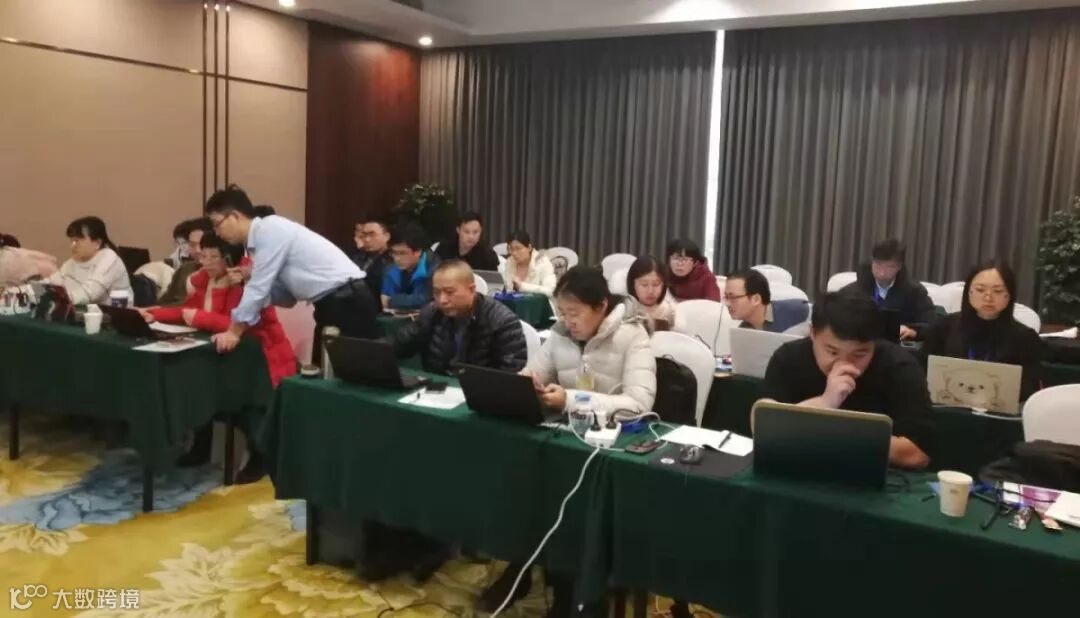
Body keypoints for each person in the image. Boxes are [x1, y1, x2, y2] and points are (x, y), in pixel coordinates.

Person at [483, 267, 656, 616]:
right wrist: (526, 388)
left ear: (601, 306)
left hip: (607, 448)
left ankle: (578, 594)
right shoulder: (559, 334)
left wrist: (570, 400)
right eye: (562, 312)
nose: (567, 321)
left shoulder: (633, 336)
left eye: (574, 313)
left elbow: (639, 404)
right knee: (519, 485)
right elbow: (530, 375)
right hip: (563, 437)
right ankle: (523, 569)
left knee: (565, 498)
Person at [142, 232, 297, 481]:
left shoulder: (246, 282)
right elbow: (187, 311)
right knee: (198, 380)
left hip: (263, 356)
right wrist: (153, 314)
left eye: (214, 257)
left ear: (230, 258)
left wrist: (199, 318)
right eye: (204, 256)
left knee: (245, 397)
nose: (206, 262)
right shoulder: (205, 280)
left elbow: (239, 322)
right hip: (225, 353)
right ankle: (201, 447)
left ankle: (259, 456)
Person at [763, 291, 933, 470]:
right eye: (832, 352)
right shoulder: (789, 357)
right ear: (813, 333)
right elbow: (762, 426)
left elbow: (918, 454)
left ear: (875, 343)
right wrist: (825, 403)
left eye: (859, 354)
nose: (844, 364)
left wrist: (834, 433)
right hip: (796, 467)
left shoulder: (900, 367)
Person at [203, 185, 379, 354]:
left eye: (217, 224)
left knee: (352, 369)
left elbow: (258, 289)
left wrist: (234, 332)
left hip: (347, 302)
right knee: (326, 369)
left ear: (234, 216)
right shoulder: (258, 244)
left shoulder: (269, 229)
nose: (217, 232)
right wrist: (251, 283)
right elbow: (287, 297)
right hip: (332, 303)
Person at [921, 260, 1043, 400]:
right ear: (969, 292)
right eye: (980, 289)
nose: (988, 297)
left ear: (1009, 295)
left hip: (1000, 411)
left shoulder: (1025, 337)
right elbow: (922, 373)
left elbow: (1030, 388)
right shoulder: (943, 328)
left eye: (998, 291)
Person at [394, 261, 528, 374]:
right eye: (436, 292)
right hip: (438, 388)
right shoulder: (432, 312)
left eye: (449, 292)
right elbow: (400, 345)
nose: (442, 300)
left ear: (471, 289)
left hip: (480, 391)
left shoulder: (502, 321)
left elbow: (511, 375)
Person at [842, 239, 935, 340]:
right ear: (872, 262)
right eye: (878, 265)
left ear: (899, 267)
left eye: (889, 267)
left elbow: (931, 324)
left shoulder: (915, 292)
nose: (882, 273)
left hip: (896, 344)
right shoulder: (854, 289)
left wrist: (913, 331)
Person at [47, 216, 132, 305]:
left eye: (77, 240)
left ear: (97, 243)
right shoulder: (72, 261)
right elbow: (55, 284)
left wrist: (60, 299)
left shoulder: (109, 258)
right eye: (72, 241)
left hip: (114, 312)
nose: (73, 245)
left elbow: (90, 293)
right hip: (82, 311)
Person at [724, 268, 810, 335]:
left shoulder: (797, 311)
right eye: (726, 297)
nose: (727, 304)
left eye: (733, 297)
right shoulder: (743, 330)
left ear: (756, 299)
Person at [382, 224, 438, 311]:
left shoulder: (435, 269)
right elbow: (384, 301)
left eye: (402, 253)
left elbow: (425, 301)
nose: (397, 259)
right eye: (394, 253)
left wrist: (393, 300)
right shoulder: (391, 269)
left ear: (418, 252)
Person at [159, 218, 212, 306]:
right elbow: (164, 301)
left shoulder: (220, 272)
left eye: (202, 244)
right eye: (192, 245)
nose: (197, 250)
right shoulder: (185, 269)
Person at [623, 255, 677, 334]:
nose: (650, 291)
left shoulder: (668, 310)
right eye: (644, 285)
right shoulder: (625, 309)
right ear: (633, 284)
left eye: (656, 284)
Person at [434, 211, 499, 271]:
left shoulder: (488, 256)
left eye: (475, 232)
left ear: (481, 231)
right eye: (466, 232)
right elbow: (433, 273)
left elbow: (492, 279)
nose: (471, 237)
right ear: (458, 230)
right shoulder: (444, 248)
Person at [499, 230, 556, 296]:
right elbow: (506, 288)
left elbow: (551, 291)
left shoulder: (542, 262)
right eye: (511, 249)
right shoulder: (510, 261)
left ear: (529, 247)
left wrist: (522, 286)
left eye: (518, 248)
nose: (514, 253)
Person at [350, 218, 393, 305]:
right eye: (364, 235)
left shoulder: (393, 258)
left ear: (386, 236)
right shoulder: (356, 257)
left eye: (372, 235)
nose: (367, 239)